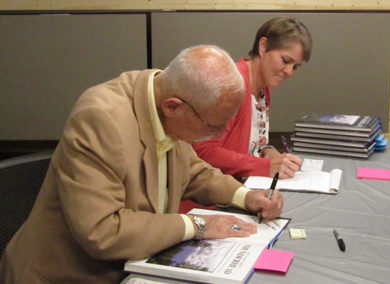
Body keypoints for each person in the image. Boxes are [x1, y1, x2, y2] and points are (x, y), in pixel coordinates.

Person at [0, 45, 283, 283]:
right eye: (213, 126)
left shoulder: (173, 99)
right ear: (173, 106)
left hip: (128, 267)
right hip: (67, 276)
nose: (220, 135)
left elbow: (191, 170)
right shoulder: (101, 119)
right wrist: (197, 225)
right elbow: (103, 231)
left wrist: (246, 196)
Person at [192, 17, 313, 179]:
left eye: (295, 67)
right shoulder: (230, 85)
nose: (289, 71)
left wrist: (267, 151)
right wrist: (266, 166)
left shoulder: (263, 88)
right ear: (263, 46)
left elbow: (253, 145)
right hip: (211, 198)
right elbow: (205, 153)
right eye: (285, 61)